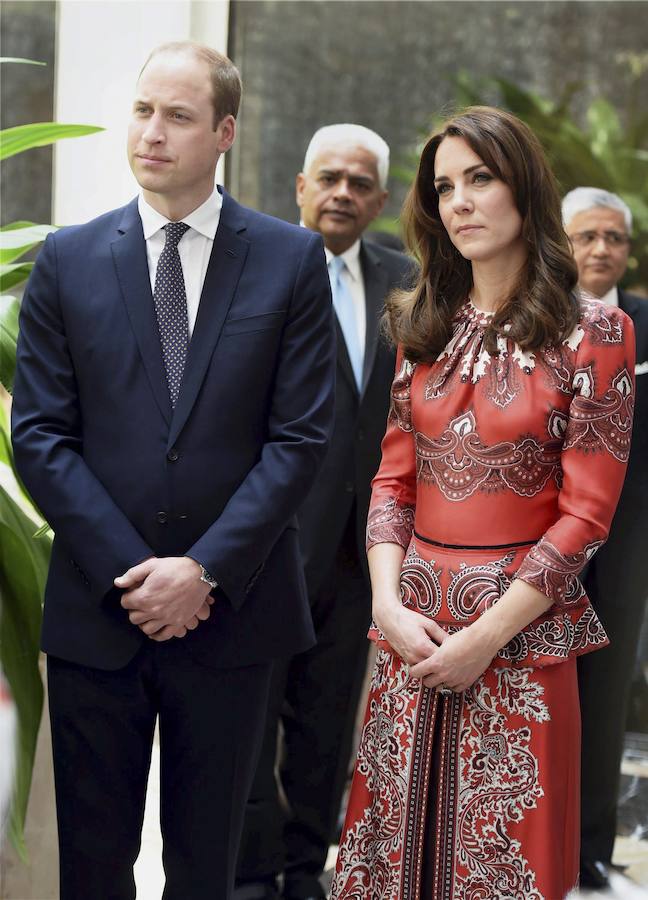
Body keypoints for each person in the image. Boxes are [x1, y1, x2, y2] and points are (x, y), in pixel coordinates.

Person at [11, 41, 335, 900]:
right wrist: (139, 576)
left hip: (232, 620)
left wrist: (202, 574)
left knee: (209, 868)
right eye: (144, 111)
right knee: (92, 865)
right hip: (98, 615)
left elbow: (300, 438)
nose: (152, 133)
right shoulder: (67, 260)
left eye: (179, 117)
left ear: (224, 132)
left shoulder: (288, 262)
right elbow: (40, 433)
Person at [331, 107, 636, 899]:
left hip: (523, 641)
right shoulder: (419, 321)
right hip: (413, 634)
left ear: (524, 189)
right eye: (443, 187)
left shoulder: (595, 331)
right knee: (390, 861)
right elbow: (393, 483)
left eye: (480, 179)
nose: (458, 202)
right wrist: (388, 607)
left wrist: (485, 640)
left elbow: (588, 514)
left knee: (504, 868)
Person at [235, 124, 414, 900]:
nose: (343, 193)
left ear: (379, 200)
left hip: (359, 554)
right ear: (300, 188)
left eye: (360, 182)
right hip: (266, 547)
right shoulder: (251, 269)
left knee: (324, 730)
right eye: (329, 178)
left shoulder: (410, 282)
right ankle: (249, 877)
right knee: (249, 728)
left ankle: (307, 874)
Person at [563, 187, 648, 889]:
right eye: (586, 235)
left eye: (614, 238)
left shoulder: (643, 323)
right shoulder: (536, 319)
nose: (600, 249)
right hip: (540, 543)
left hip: (624, 547)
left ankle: (591, 852)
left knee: (606, 694)